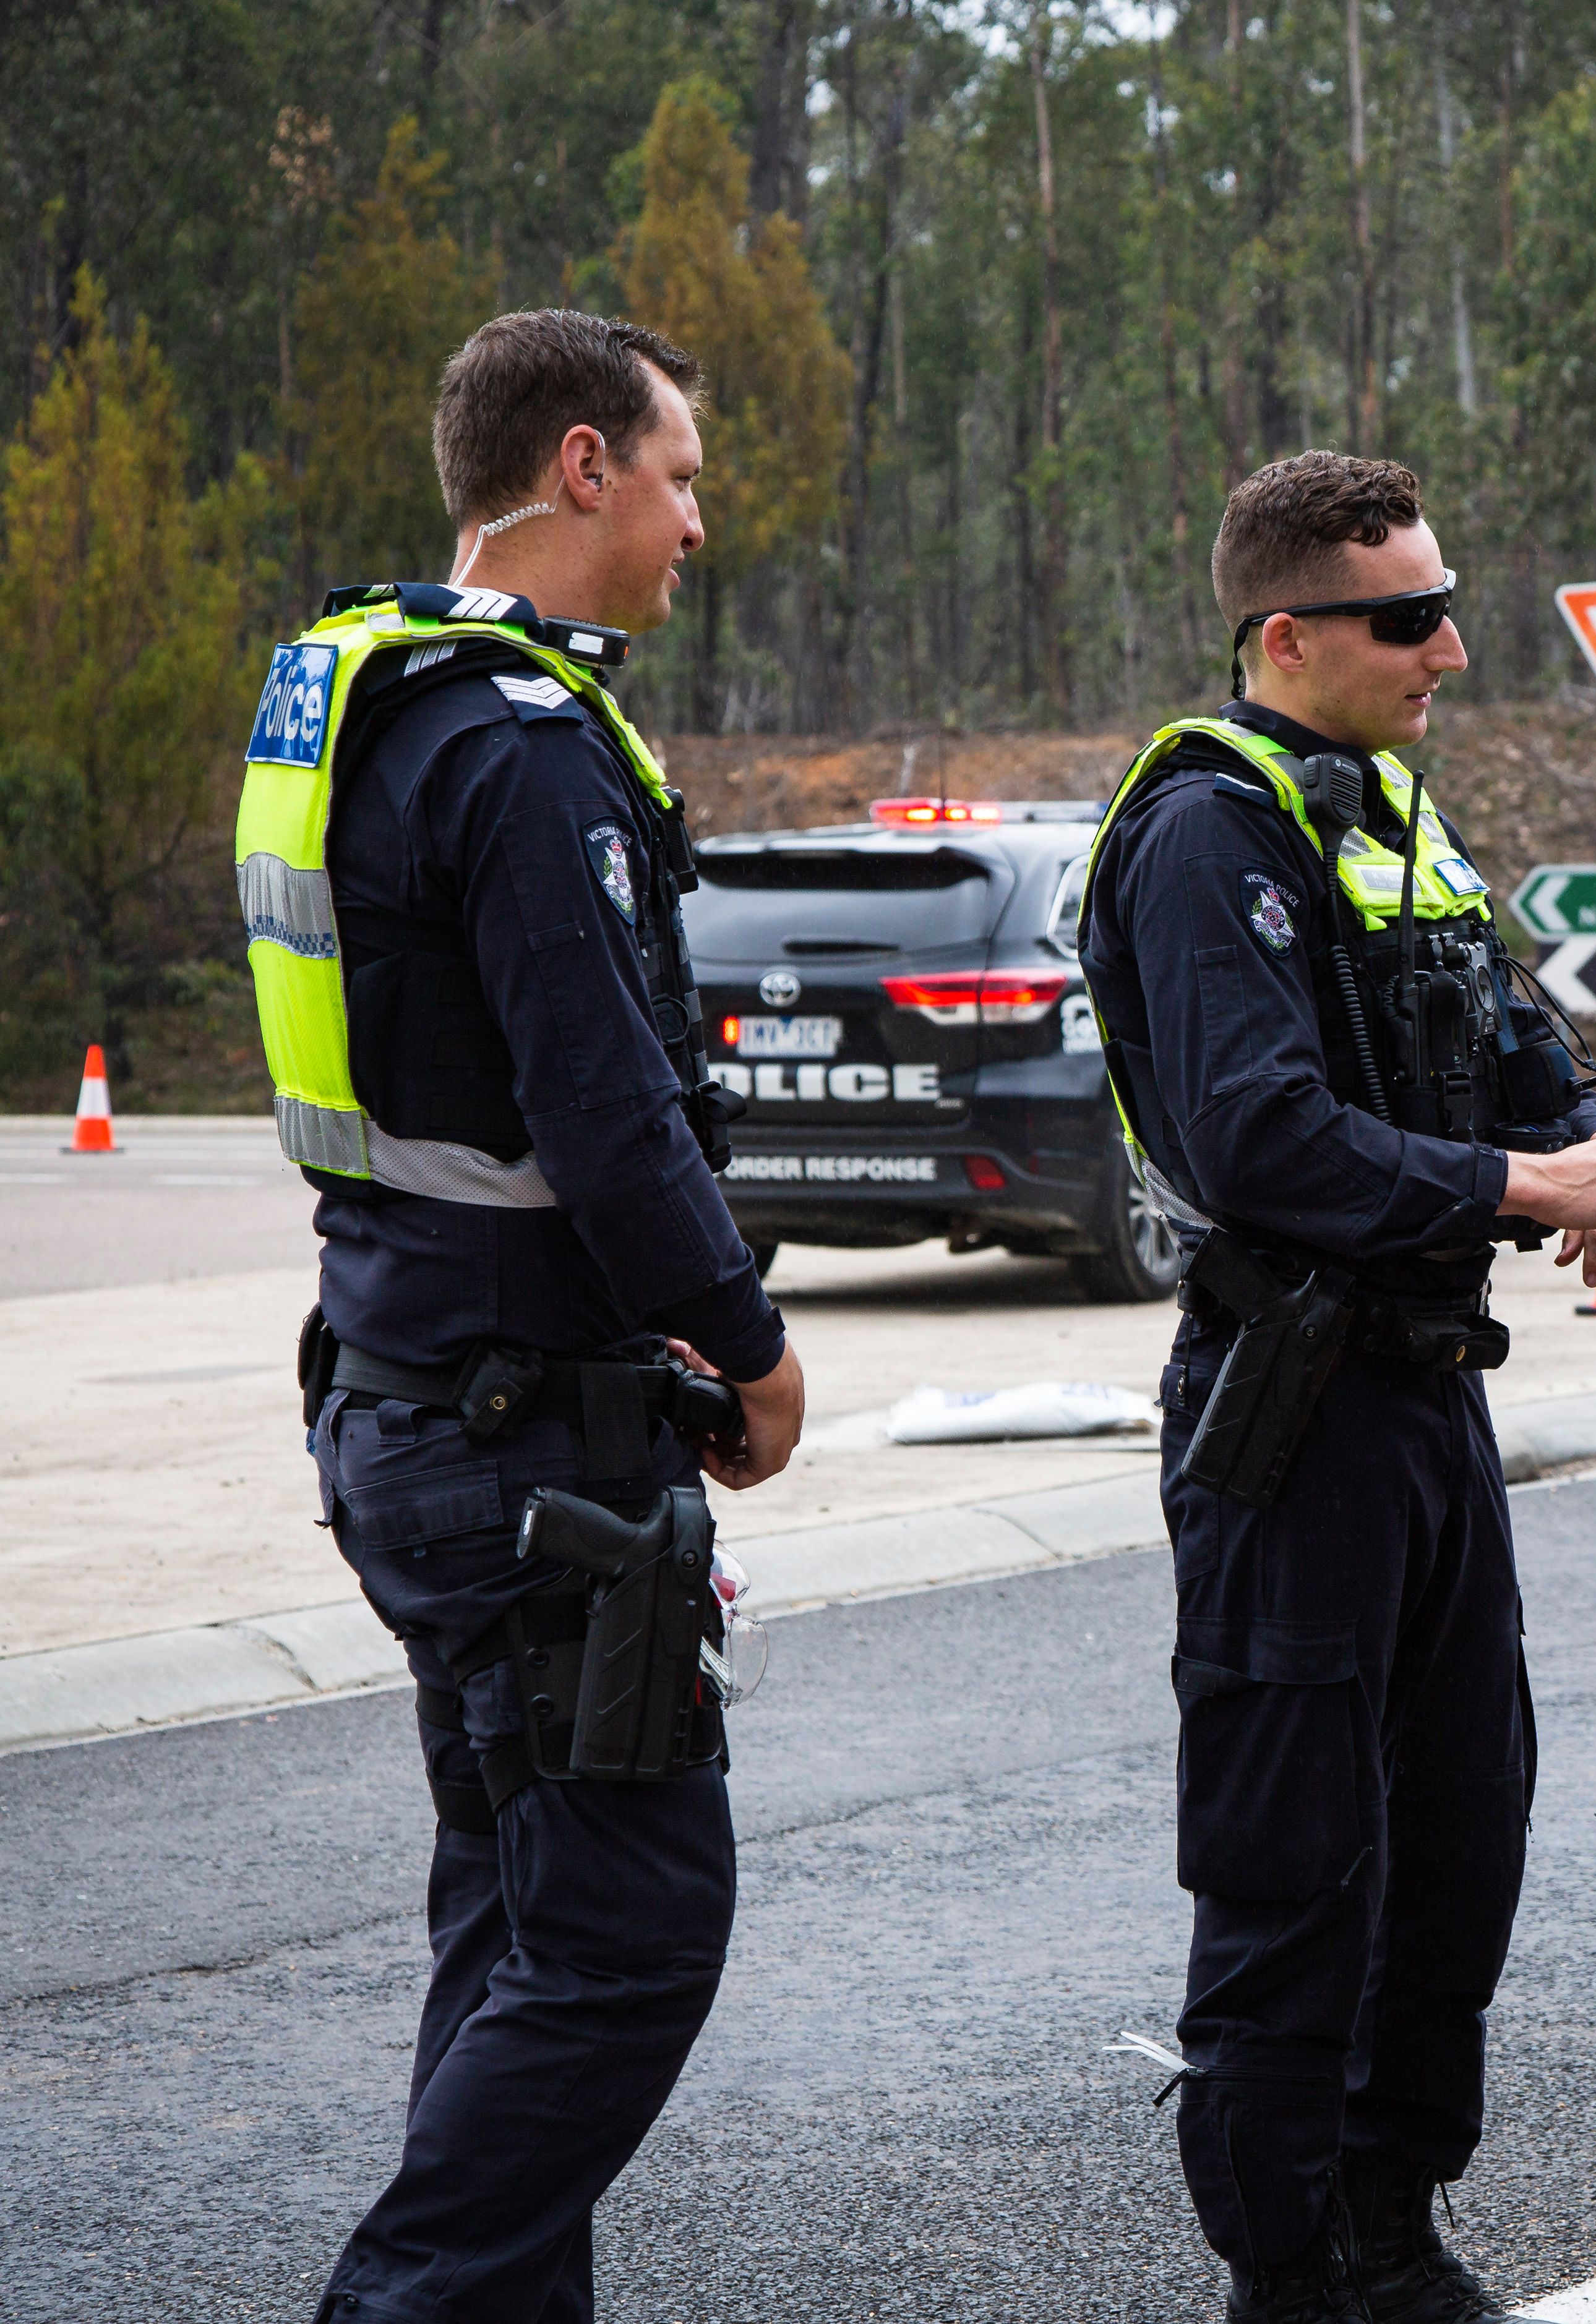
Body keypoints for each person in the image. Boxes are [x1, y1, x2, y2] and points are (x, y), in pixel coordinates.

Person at [237, 308, 807, 2324]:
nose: (694, 524)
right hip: (524, 1441)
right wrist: (748, 1347)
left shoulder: (359, 702)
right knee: (632, 1937)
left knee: (515, 1924)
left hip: (405, 1388)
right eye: (676, 476)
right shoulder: (516, 741)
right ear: (580, 468)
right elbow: (606, 1106)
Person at [1081, 451, 1596, 2324]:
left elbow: (1517, 1041)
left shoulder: (1394, 813)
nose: (1452, 647)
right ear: (1289, 635)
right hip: (1290, 1410)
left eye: (1445, 602)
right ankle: (1295, 2277)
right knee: (1295, 1877)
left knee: (1459, 1845)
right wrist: (1528, 1187)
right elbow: (1262, 1137)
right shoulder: (1204, 834)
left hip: (1428, 1407)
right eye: (1409, 616)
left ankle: (1395, 2240)